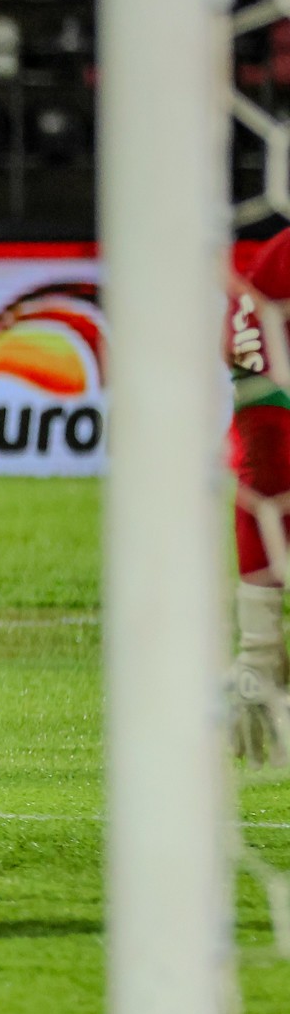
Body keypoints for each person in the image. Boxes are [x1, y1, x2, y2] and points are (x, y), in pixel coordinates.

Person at [229, 227, 290, 765]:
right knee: (271, 464)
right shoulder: (277, 268)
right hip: (267, 329)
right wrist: (260, 648)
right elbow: (265, 472)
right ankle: (259, 653)